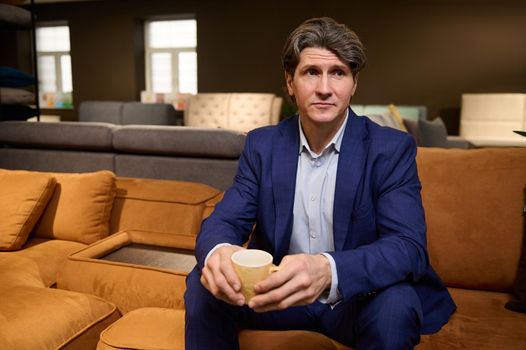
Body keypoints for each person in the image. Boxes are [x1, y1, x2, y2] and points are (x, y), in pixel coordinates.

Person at [184, 17, 456, 349]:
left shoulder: (390, 149)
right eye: (311, 72)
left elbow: (407, 247)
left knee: (396, 305)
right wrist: (218, 252)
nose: (325, 88)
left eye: (338, 73)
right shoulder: (262, 145)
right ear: (290, 81)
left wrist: (329, 270)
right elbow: (225, 220)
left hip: (356, 299)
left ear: (353, 83)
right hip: (279, 297)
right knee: (201, 282)